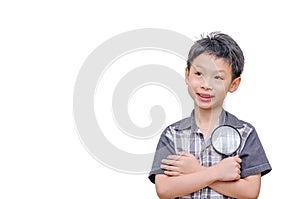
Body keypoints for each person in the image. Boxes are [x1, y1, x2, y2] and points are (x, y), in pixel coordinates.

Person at [148, 32, 272, 199]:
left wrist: (195, 171)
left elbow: (250, 192)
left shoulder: (245, 133)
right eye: (199, 74)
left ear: (234, 84)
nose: (206, 85)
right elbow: (164, 189)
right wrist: (217, 172)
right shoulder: (172, 134)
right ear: (187, 75)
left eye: (218, 77)